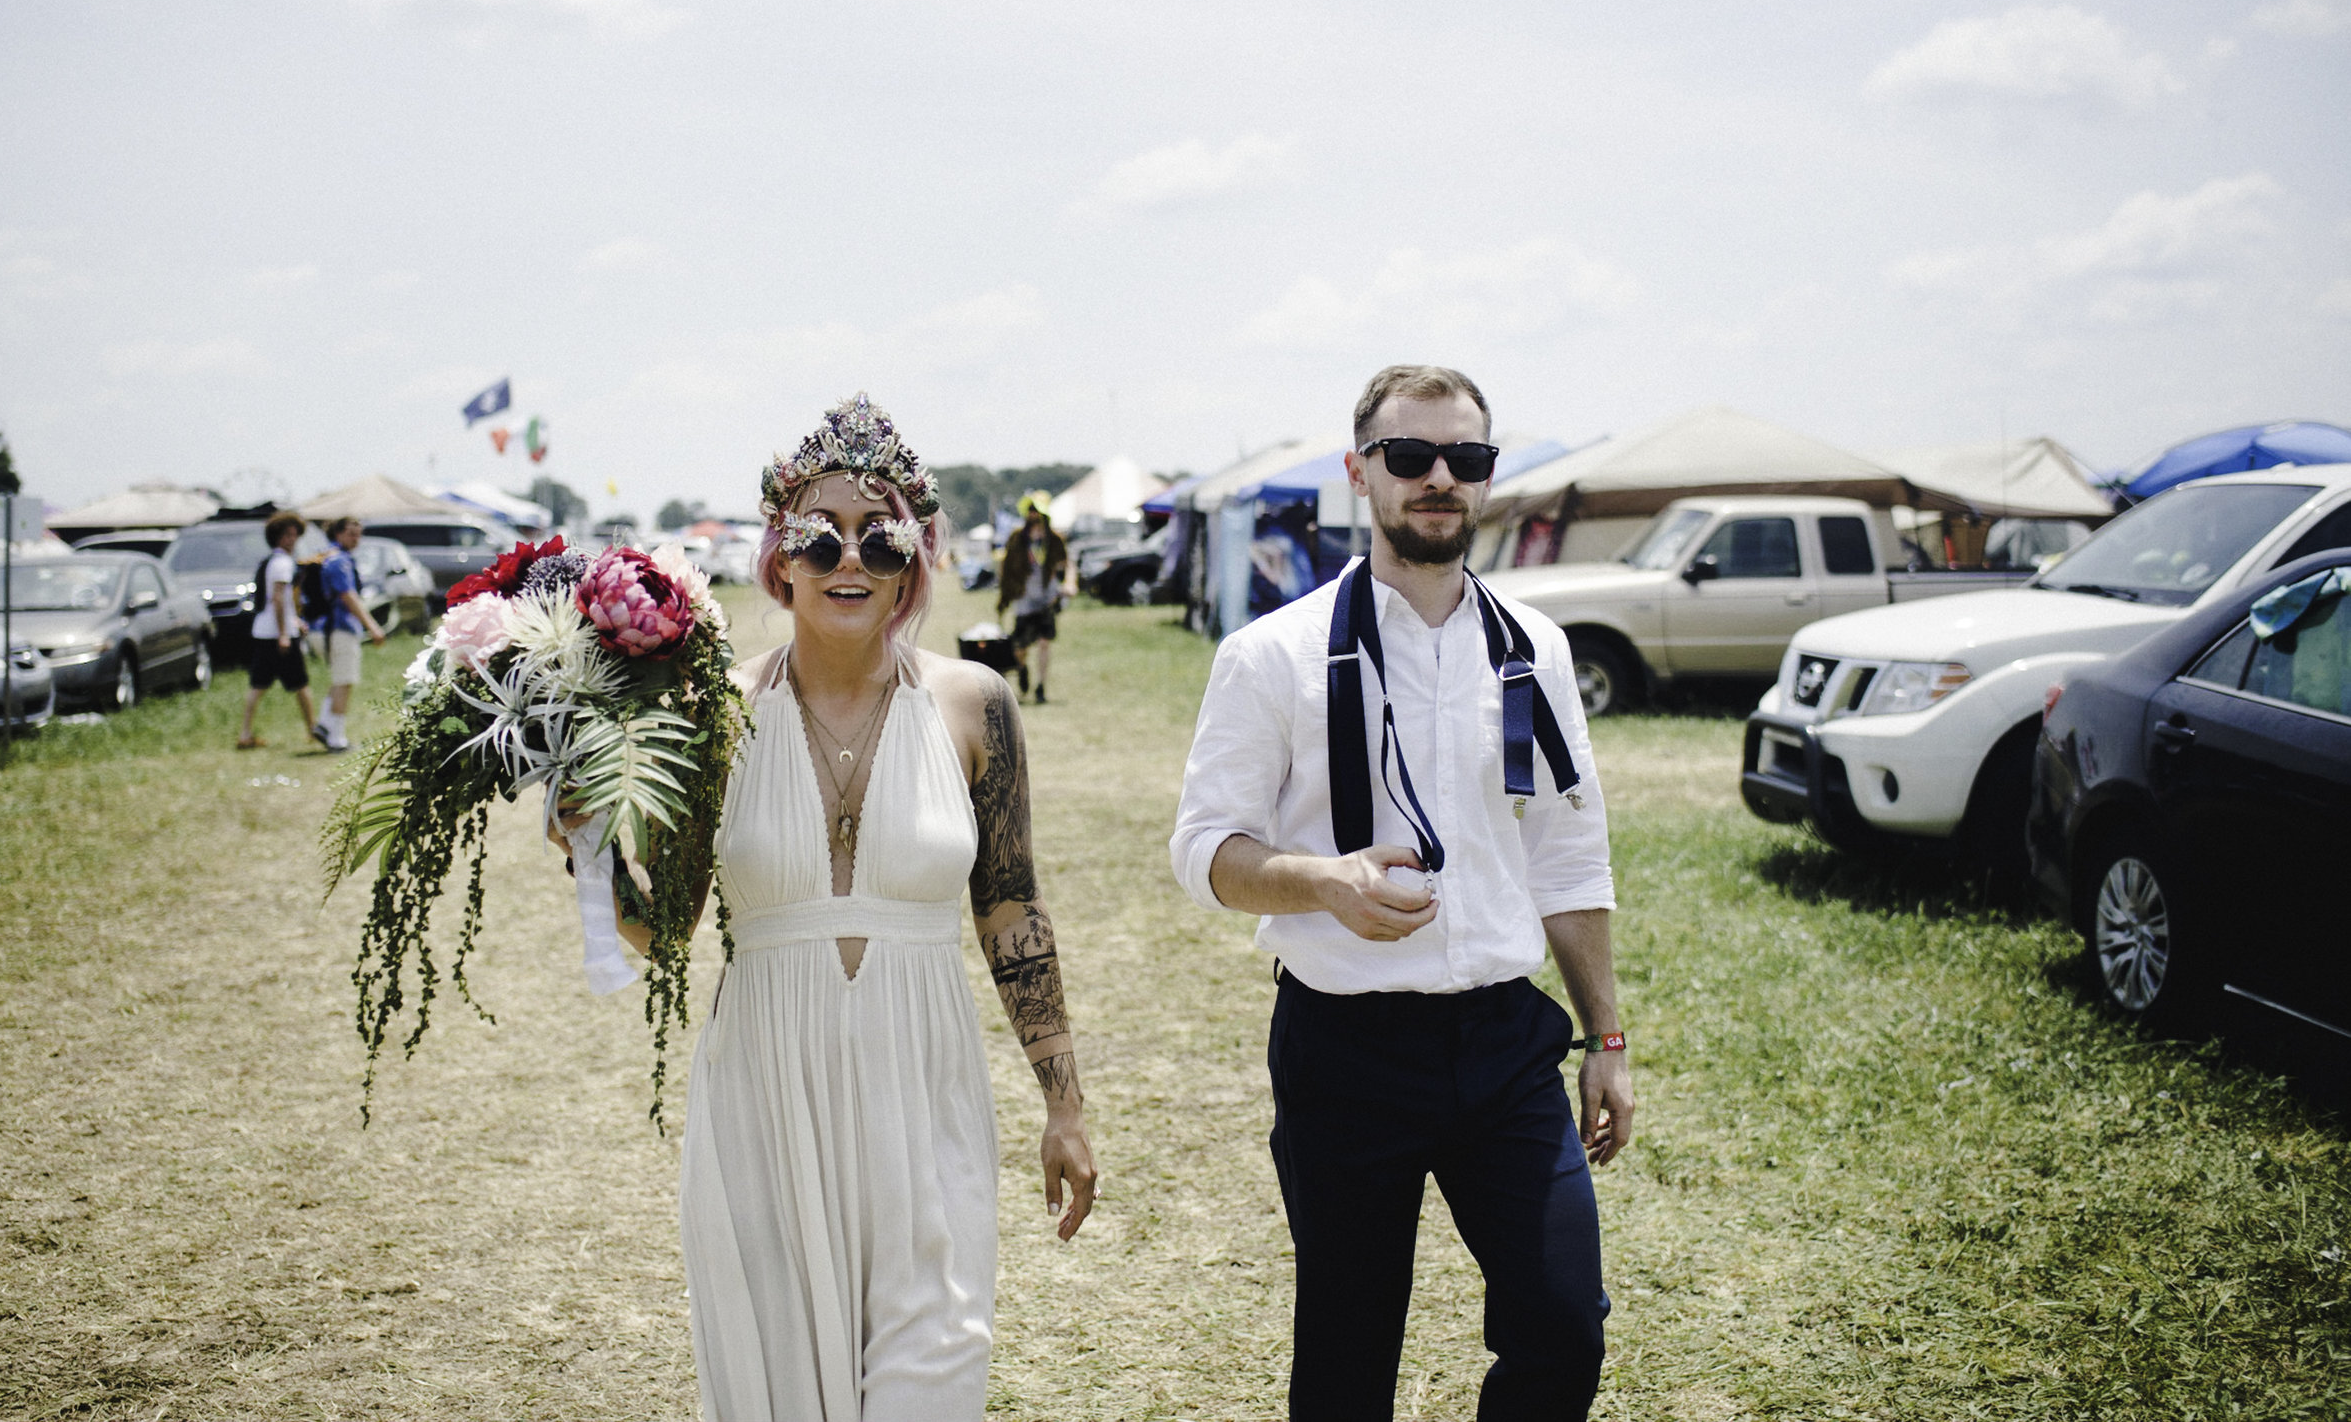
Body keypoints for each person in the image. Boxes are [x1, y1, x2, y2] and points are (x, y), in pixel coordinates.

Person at [595, 394, 1098, 1421]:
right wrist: (597, 841)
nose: (847, 560)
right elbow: (662, 928)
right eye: (819, 537)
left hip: (926, 1087)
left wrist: (1063, 1100)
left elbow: (1010, 910)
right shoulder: (712, 712)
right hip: (765, 1099)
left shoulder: (976, 703)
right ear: (780, 558)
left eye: (880, 536)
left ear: (916, 558)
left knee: (934, 1373)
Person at [1169, 364, 1632, 1422]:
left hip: (1505, 1044)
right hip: (1345, 1046)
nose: (1437, 478)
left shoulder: (1533, 652)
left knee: (1564, 1325)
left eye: (1463, 459)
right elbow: (1201, 850)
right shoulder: (1270, 656)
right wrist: (1317, 882)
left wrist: (1605, 1040)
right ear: (1357, 471)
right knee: (1346, 1352)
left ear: (1486, 478)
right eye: (1409, 456)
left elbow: (1567, 855)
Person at [236, 511, 318, 751]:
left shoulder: (271, 561)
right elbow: (279, 600)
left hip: (264, 630)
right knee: (300, 683)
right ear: (277, 537)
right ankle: (312, 729)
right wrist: (284, 632)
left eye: (295, 535)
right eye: (287, 535)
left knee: (258, 685)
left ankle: (245, 733)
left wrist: (294, 622)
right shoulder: (283, 563)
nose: (292, 540)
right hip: (277, 634)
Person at [308, 516, 387, 751]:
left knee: (339, 679)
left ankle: (324, 724)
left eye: (359, 533)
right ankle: (336, 737)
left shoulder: (325, 557)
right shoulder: (339, 562)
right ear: (338, 533)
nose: (356, 539)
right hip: (338, 628)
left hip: (321, 628)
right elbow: (348, 596)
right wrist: (372, 626)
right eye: (352, 533)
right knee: (345, 681)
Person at [996, 491, 1070, 704]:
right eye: (1030, 510)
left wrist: (1066, 584)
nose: (1032, 514)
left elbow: (1065, 563)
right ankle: (1022, 668)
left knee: (1045, 643)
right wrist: (1006, 591)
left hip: (1047, 599)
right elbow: (1006, 564)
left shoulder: (1054, 539)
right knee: (1020, 648)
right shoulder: (1018, 537)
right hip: (1024, 599)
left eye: (1036, 511)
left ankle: (1041, 687)